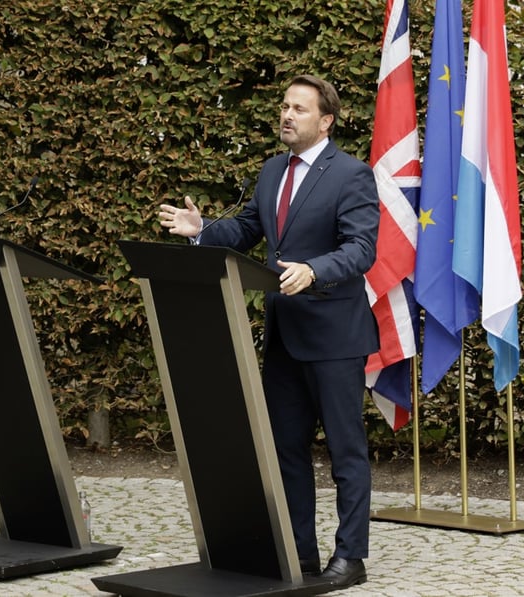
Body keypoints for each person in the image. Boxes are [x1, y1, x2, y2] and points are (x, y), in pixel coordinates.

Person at [158, 74, 379, 588]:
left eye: (299, 109)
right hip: (284, 333)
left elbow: (361, 247)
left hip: (335, 336)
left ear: (325, 120)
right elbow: (249, 229)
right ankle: (300, 554)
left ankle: (350, 558)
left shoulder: (352, 175)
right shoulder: (271, 171)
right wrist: (203, 231)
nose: (286, 115)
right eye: (284, 106)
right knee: (286, 449)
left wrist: (315, 269)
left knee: (346, 451)